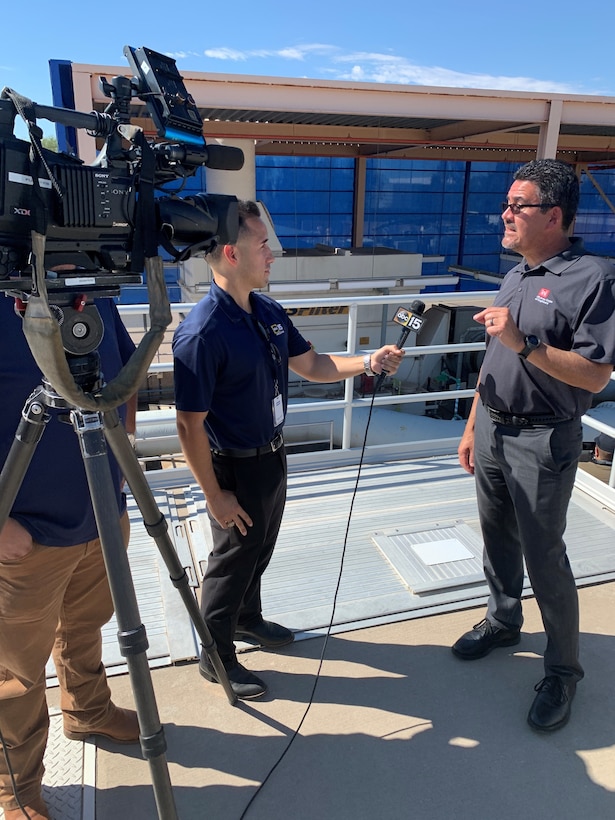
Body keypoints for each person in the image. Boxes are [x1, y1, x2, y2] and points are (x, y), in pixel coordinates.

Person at [173, 200, 404, 700]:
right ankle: (217, 654)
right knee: (232, 560)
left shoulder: (267, 310)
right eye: (263, 245)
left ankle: (247, 619)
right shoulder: (202, 332)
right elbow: (189, 426)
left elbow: (314, 364)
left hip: (272, 458)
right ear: (232, 254)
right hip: (232, 467)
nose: (272, 254)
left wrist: (368, 360)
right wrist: (214, 496)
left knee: (260, 549)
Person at [452, 159, 615, 732]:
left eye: (516, 206)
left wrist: (523, 343)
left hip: (543, 437)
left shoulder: (593, 278)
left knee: (545, 556)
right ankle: (503, 620)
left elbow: (595, 376)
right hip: (495, 427)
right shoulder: (519, 272)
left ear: (553, 214)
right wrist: (474, 424)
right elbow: (494, 358)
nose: (505, 214)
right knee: (496, 536)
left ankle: (564, 670)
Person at [0, 296, 139, 820]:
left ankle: (87, 710)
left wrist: (122, 463)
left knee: (86, 625)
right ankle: (17, 791)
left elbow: (124, 371)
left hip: (100, 511)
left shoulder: (87, 288)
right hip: (23, 535)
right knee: (16, 673)